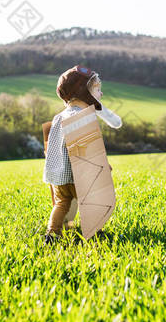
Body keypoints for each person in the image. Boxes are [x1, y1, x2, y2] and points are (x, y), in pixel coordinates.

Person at [43, 65, 121, 243]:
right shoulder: (83, 117)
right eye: (98, 90)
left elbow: (52, 147)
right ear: (84, 92)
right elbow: (86, 147)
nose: (101, 94)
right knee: (92, 202)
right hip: (79, 174)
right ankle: (94, 233)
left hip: (59, 175)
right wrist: (102, 165)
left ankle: (52, 234)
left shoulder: (58, 117)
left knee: (62, 203)